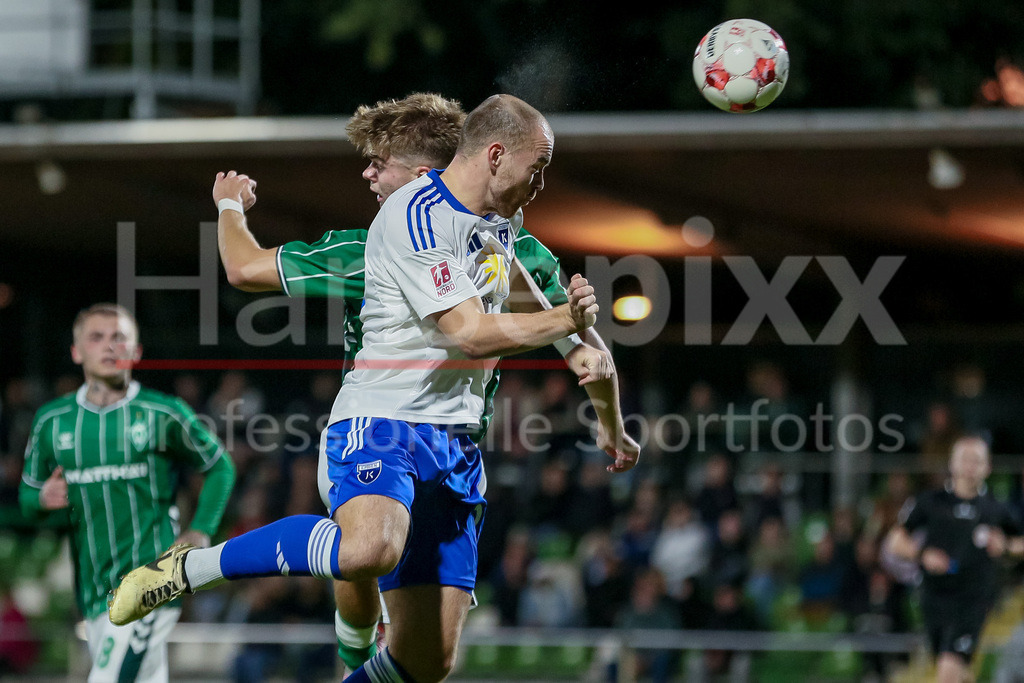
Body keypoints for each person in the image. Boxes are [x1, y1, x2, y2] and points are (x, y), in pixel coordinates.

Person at [110, 94, 639, 683]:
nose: (367, 174)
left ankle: (356, 655)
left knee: (426, 661)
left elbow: (586, 352)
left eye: (377, 162)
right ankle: (196, 571)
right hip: (376, 422)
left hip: (457, 443)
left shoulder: (503, 233)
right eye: (535, 167)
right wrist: (229, 206)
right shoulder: (398, 227)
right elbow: (472, 334)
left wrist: (612, 425)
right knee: (364, 556)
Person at [19, 303, 236, 683]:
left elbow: (220, 466)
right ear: (76, 351)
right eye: (97, 337)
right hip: (92, 590)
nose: (109, 346)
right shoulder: (52, 421)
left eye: (119, 337)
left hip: (152, 581)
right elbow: (26, 495)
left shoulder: (163, 412)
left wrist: (201, 529)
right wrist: (40, 500)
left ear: (135, 352)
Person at [885, 435, 1024, 683]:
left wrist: (1005, 545)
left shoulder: (996, 508)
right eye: (965, 459)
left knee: (948, 671)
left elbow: (1019, 542)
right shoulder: (930, 501)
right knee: (958, 671)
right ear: (952, 464)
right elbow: (896, 540)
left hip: (973, 600)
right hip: (934, 597)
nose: (970, 467)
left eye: (977, 461)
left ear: (988, 467)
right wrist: (922, 555)